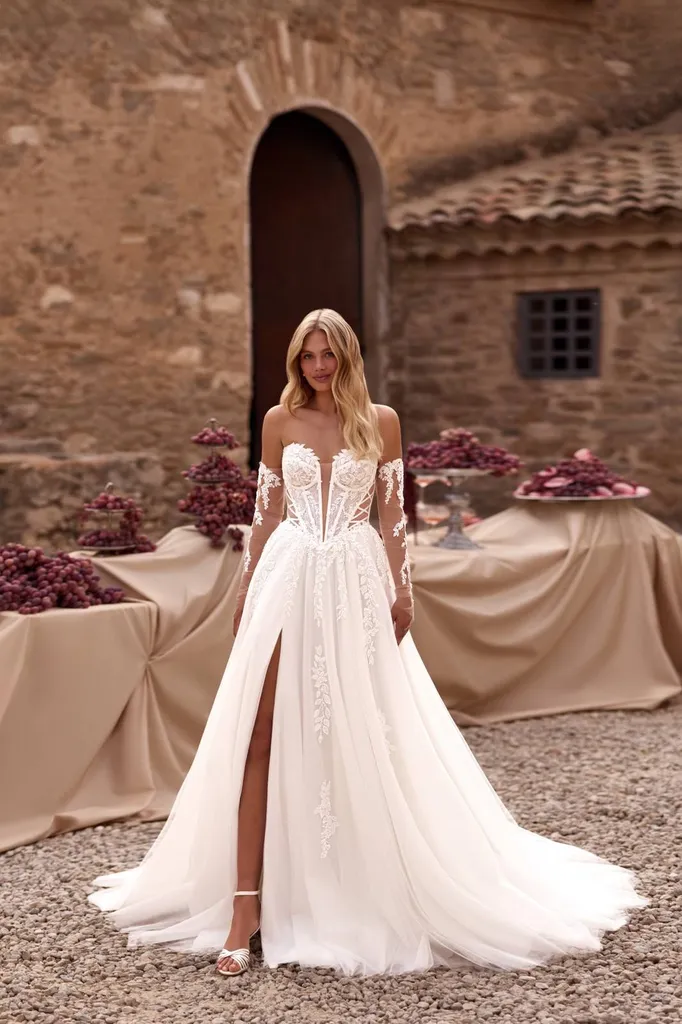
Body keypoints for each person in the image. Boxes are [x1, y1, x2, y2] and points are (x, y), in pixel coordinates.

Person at [89, 308, 646, 978]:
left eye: (327, 355)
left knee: (358, 729)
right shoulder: (277, 421)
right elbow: (266, 515)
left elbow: (391, 518)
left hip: (353, 579)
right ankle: (244, 906)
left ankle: (347, 885)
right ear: (296, 361)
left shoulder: (379, 420)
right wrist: (244, 592)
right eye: (307, 356)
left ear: (347, 357)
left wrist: (401, 589)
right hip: (288, 576)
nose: (317, 367)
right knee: (258, 732)